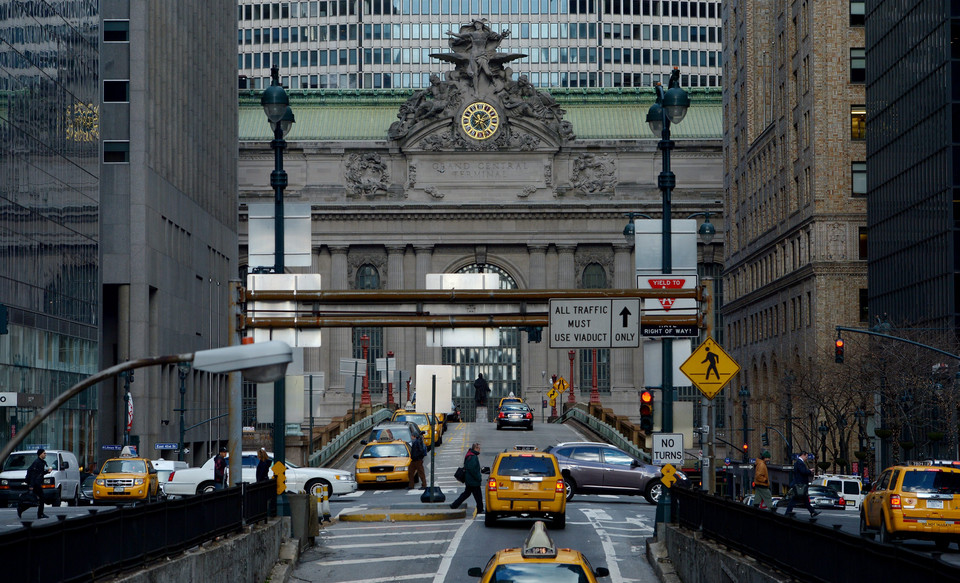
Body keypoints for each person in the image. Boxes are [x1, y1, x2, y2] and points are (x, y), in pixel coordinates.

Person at [449, 442, 483, 514]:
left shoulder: (470, 455)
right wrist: (478, 478)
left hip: (469, 480)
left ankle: (454, 505)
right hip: (473, 481)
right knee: (478, 496)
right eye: (478, 448)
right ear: (475, 448)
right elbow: (472, 469)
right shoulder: (473, 457)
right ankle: (480, 509)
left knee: (466, 494)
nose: (480, 449)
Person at [784, 452, 820, 517]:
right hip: (800, 485)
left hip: (800, 484)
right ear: (803, 455)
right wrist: (809, 471)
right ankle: (788, 513)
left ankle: (812, 512)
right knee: (795, 499)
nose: (806, 458)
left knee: (804, 499)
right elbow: (803, 471)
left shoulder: (798, 462)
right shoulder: (800, 463)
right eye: (806, 457)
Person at [25, 448, 50, 519]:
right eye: (44, 453)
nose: (45, 455)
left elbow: (40, 473)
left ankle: (40, 513)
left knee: (37, 498)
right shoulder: (37, 462)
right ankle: (40, 514)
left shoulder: (41, 462)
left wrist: (47, 471)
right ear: (40, 454)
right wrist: (31, 485)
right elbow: (33, 474)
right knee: (41, 498)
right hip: (36, 483)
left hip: (37, 483)